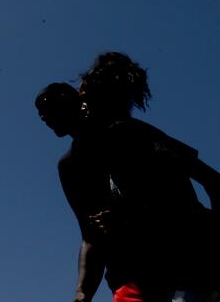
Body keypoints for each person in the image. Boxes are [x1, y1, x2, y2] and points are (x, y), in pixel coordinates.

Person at [80, 52, 220, 302]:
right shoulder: (115, 147)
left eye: (85, 99)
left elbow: (214, 184)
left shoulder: (130, 136)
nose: (81, 107)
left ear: (103, 100)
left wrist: (208, 234)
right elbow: (215, 185)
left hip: (214, 279)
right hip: (195, 276)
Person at [36, 82, 154, 302]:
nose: (43, 117)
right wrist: (82, 294)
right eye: (41, 113)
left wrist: (126, 214)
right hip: (127, 279)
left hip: (174, 264)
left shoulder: (124, 133)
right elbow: (90, 236)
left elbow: (175, 191)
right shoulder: (69, 166)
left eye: (47, 107)